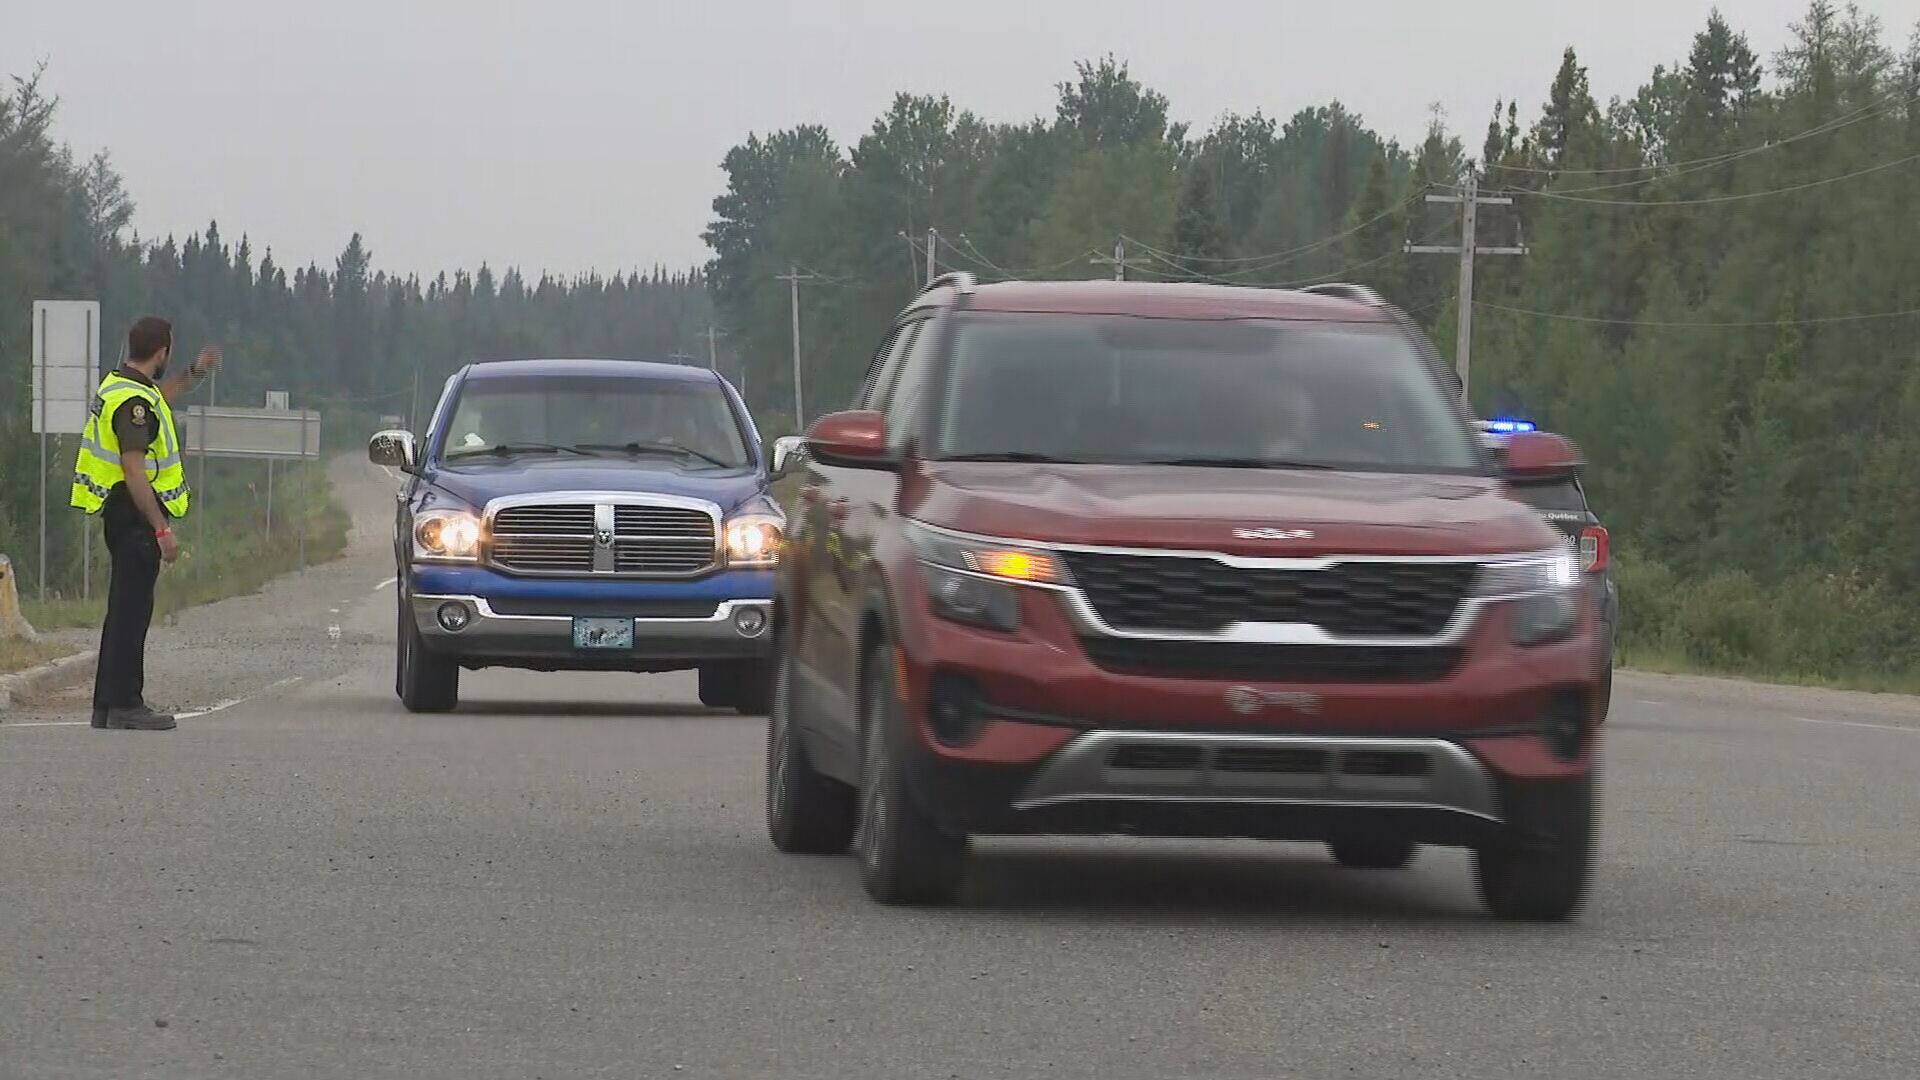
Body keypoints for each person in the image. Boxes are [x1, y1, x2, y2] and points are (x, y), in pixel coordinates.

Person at [69, 317, 222, 730]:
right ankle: (125, 704)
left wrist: (197, 370)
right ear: (161, 352)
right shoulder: (133, 404)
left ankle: (107, 706)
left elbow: (164, 394)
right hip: (135, 512)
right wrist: (161, 528)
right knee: (132, 612)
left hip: (120, 511)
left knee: (122, 609)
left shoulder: (122, 387)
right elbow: (134, 469)